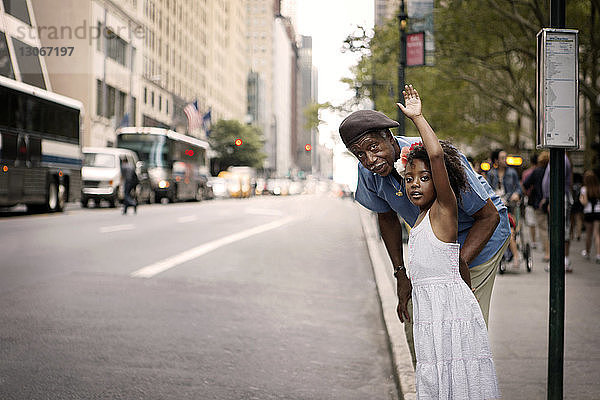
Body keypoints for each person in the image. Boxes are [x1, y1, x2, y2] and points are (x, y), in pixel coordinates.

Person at [339, 88, 510, 369]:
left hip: (479, 240)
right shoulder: (369, 173)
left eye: (372, 147)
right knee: (418, 321)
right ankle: (431, 384)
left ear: (389, 138)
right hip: (434, 250)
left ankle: (462, 382)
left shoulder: (428, 156)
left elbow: (488, 217)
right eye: (360, 154)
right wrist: (400, 274)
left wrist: (457, 266)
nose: (369, 160)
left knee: (460, 324)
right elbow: (386, 217)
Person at [396, 85, 500, 398]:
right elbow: (457, 266)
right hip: (432, 317)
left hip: (449, 317)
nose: (415, 184)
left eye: (424, 178)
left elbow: (437, 154)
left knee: (459, 382)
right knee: (436, 381)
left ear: (440, 182)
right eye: (410, 177)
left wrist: (418, 119)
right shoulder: (417, 220)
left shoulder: (444, 210)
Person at [486, 149, 523, 268]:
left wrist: (516, 194)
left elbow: (518, 188)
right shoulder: (491, 174)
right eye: (502, 157)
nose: (504, 160)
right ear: (496, 160)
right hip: (496, 208)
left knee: (510, 233)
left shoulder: (512, 173)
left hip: (509, 207)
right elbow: (488, 191)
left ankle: (516, 257)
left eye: (505, 157)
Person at [541, 153, 573, 271]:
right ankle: (560, 260)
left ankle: (563, 260)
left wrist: (551, 200)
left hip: (559, 198)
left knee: (562, 228)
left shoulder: (561, 159)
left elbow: (557, 180)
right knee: (557, 228)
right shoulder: (556, 158)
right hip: (555, 198)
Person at [523, 151, 550, 261]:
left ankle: (547, 252)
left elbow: (525, 184)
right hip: (551, 203)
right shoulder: (553, 171)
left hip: (540, 204)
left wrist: (530, 195)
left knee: (543, 229)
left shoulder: (537, 171)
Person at [580, 170, 600, 263]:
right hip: (598, 212)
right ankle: (598, 254)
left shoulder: (584, 189)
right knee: (597, 234)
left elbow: (584, 202)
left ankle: (587, 252)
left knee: (589, 234)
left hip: (588, 212)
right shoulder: (598, 188)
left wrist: (581, 199)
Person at [521, 154, 538, 248]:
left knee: (531, 221)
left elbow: (524, 186)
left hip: (530, 199)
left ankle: (534, 240)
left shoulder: (527, 173)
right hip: (540, 199)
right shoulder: (543, 171)